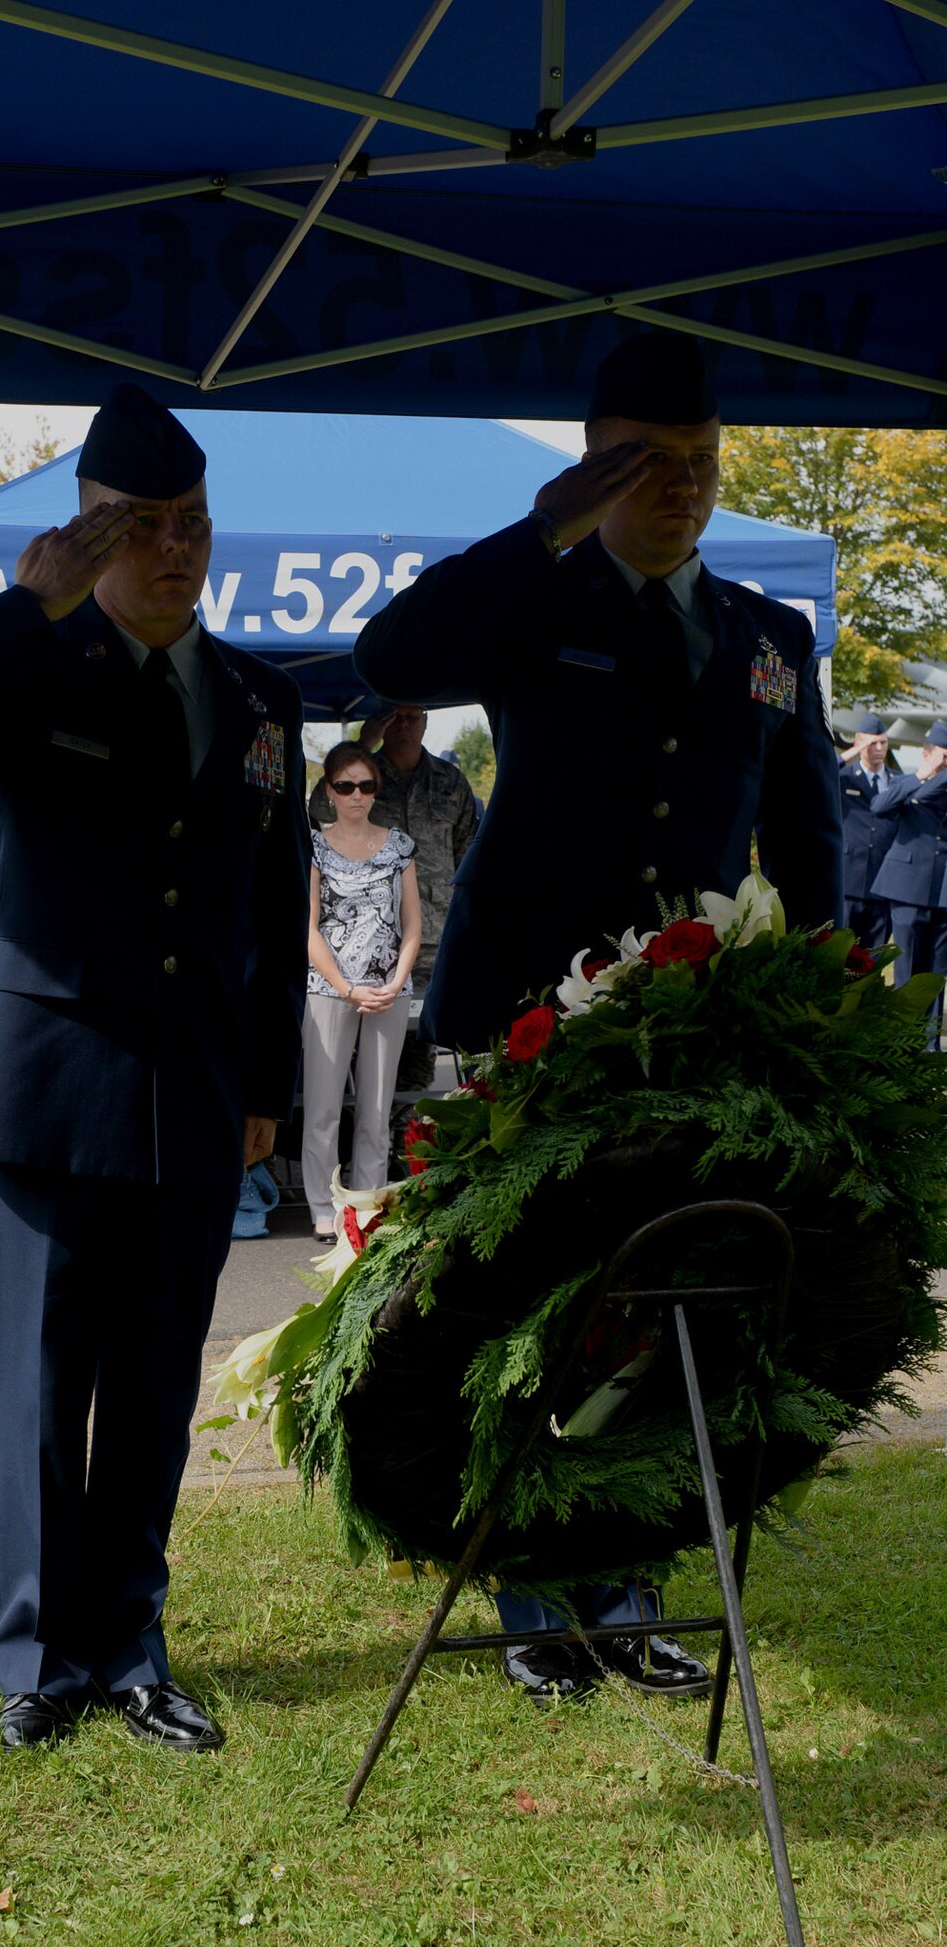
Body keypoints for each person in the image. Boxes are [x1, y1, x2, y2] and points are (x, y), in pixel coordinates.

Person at [353, 329, 842, 1709]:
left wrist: (815, 993)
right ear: (593, 467)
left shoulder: (767, 635)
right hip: (525, 1006)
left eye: (697, 464)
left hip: (686, 1028)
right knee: (519, 1309)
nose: (678, 488)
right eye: (645, 464)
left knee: (666, 1315)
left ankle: (628, 1588)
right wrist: (543, 528)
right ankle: (526, 1595)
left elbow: (806, 836)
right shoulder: (536, 597)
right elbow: (387, 650)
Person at [0, 383, 310, 1753]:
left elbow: (269, 912)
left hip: (191, 1087)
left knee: (156, 1383)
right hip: (46, 1078)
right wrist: (25, 600)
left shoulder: (257, 700)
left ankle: (132, 1646)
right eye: (146, 525)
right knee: (47, 1386)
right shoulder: (26, 664)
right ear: (91, 534)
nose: (177, 548)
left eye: (195, 524)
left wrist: (270, 1089)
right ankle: (40, 1660)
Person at [310, 706, 478, 1098]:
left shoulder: (450, 782)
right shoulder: (362, 777)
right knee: (357, 1060)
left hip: (431, 942)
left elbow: (468, 854)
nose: (403, 724)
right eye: (393, 716)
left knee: (417, 1061)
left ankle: (404, 1150)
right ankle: (366, 1146)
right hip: (363, 945)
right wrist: (363, 744)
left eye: (412, 716)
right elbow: (318, 808)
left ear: (425, 721)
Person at [302, 741, 421, 1240]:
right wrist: (346, 987)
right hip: (329, 990)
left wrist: (394, 982)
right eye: (346, 785)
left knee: (376, 1107)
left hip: (389, 992)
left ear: (376, 791)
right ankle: (324, 1206)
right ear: (330, 790)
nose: (356, 795)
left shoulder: (399, 847)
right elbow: (307, 929)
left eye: (366, 785)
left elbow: (413, 925)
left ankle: (367, 1204)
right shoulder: (312, 847)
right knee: (323, 1107)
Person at [869, 720, 947, 1042]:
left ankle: (929, 1047)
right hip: (907, 886)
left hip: (942, 891)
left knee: (935, 973)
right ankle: (901, 1043)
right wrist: (922, 774)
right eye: (941, 756)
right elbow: (879, 806)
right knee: (907, 969)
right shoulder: (907, 783)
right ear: (926, 754)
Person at [838, 712, 894, 950]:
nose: (878, 748)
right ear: (860, 744)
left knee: (873, 958)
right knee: (840, 955)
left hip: (882, 884)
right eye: (872, 743)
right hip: (850, 880)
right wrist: (848, 754)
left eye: (883, 742)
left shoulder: (898, 782)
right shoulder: (845, 778)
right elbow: (821, 771)